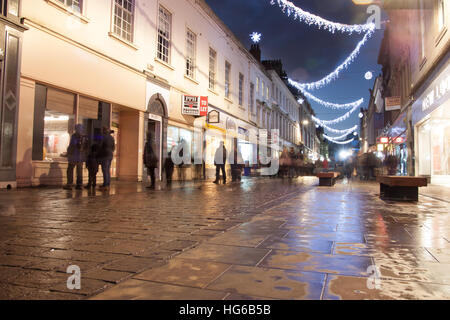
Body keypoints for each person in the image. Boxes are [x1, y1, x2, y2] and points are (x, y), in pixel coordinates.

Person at [64, 124, 87, 190]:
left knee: (70, 170)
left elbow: (72, 145)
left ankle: (69, 184)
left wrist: (68, 153)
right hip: (81, 157)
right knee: (79, 171)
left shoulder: (74, 136)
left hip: (74, 156)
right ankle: (79, 185)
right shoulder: (84, 136)